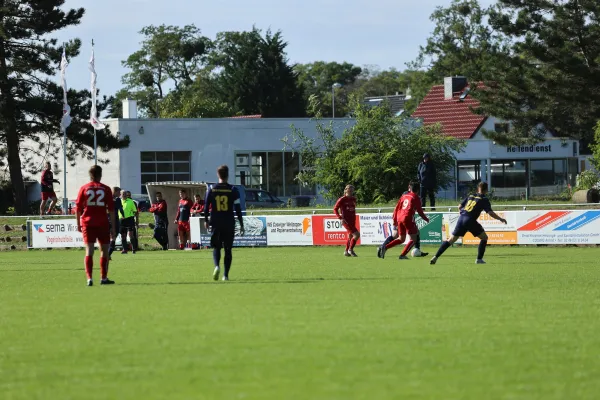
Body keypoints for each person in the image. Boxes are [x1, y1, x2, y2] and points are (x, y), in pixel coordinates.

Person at [430, 182, 507, 265]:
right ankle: (479, 259)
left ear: (478, 188)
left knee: (451, 239)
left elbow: (459, 206)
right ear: (486, 190)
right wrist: (500, 219)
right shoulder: (484, 199)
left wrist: (461, 212)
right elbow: (490, 213)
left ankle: (436, 256)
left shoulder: (471, 196)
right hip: (470, 220)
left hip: (461, 218)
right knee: (484, 238)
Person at [75, 165, 116, 286]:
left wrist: (78, 224)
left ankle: (89, 278)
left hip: (88, 222)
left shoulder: (84, 188)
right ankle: (103, 278)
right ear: (100, 174)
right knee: (104, 251)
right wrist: (113, 227)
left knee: (89, 250)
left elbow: (78, 208)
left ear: (90, 175)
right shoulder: (106, 189)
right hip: (102, 222)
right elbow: (112, 210)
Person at [204, 165, 244, 281]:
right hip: (228, 222)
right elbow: (237, 209)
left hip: (216, 222)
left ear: (218, 175)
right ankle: (225, 275)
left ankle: (217, 266)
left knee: (216, 247)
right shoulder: (233, 190)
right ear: (228, 175)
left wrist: (206, 220)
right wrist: (241, 224)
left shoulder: (211, 189)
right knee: (228, 249)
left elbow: (206, 207)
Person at [378, 182, 429, 260]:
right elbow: (420, 211)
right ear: (418, 190)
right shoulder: (416, 197)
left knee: (401, 239)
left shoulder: (404, 196)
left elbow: (397, 208)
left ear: (411, 188)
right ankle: (402, 255)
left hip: (400, 218)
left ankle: (385, 247)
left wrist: (395, 220)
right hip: (408, 218)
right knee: (413, 239)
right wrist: (426, 219)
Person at [334, 184, 360, 257]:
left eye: (352, 190)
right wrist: (340, 218)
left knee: (350, 236)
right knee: (357, 234)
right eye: (349, 189)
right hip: (346, 220)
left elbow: (352, 209)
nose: (351, 191)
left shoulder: (353, 199)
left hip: (352, 219)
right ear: (346, 190)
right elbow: (335, 209)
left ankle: (346, 251)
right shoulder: (342, 199)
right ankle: (350, 249)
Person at [119, 190, 139, 254]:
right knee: (123, 235)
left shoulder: (131, 201)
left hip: (130, 219)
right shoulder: (118, 201)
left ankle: (133, 249)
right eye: (123, 194)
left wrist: (136, 220)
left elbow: (135, 211)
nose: (124, 195)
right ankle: (125, 249)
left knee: (131, 235)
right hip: (121, 220)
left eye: (125, 194)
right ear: (120, 195)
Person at [108, 186, 123, 258]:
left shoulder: (107, 199)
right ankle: (108, 254)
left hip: (107, 220)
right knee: (113, 237)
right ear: (115, 191)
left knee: (109, 238)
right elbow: (121, 209)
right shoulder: (117, 200)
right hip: (114, 220)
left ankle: (107, 254)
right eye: (119, 192)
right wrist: (123, 215)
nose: (120, 194)